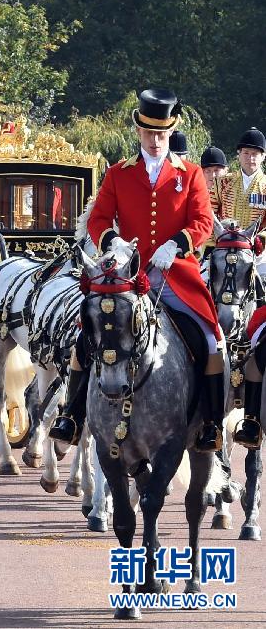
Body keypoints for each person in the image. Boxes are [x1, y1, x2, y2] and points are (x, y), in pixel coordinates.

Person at [50, 88, 225, 452]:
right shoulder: (118, 174)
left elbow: (203, 221)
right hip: (127, 279)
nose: (156, 141)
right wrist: (111, 240)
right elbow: (98, 218)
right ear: (139, 133)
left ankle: (210, 425)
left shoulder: (190, 174)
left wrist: (177, 244)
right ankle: (72, 415)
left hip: (176, 275)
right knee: (88, 335)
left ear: (170, 133)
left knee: (212, 341)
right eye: (150, 134)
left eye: (162, 135)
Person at [213, 127, 266, 229]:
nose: (250, 158)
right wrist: (211, 243)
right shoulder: (222, 182)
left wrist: (262, 240)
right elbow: (209, 213)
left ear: (263, 156)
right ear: (239, 154)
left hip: (256, 243)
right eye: (246, 153)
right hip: (225, 241)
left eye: (254, 154)